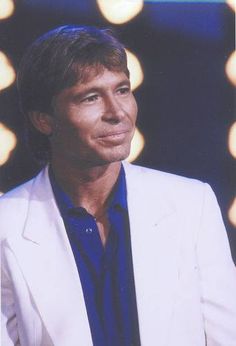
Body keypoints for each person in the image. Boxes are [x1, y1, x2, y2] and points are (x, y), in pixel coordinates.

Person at [1, 25, 236, 346]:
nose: (117, 113)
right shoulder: (7, 225)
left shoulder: (191, 205)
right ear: (44, 119)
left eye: (122, 90)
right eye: (91, 97)